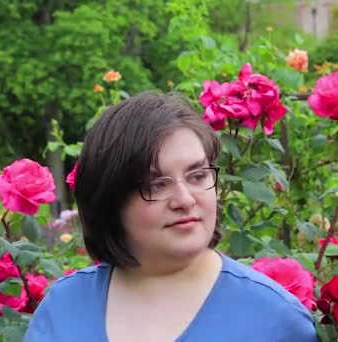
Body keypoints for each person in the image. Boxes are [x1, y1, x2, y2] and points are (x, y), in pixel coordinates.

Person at [24, 91, 318, 341]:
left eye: (198, 175)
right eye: (156, 184)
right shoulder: (64, 310)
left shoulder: (274, 320)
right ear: (109, 199)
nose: (185, 200)